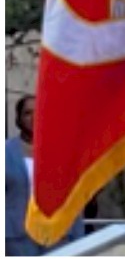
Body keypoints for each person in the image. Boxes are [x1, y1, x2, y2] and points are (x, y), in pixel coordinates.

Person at [7, 97, 83, 254]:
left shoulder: (63, 152)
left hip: (58, 236)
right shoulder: (6, 152)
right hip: (17, 239)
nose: (34, 117)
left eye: (39, 111)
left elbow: (74, 197)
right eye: (27, 113)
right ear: (18, 119)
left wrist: (78, 235)